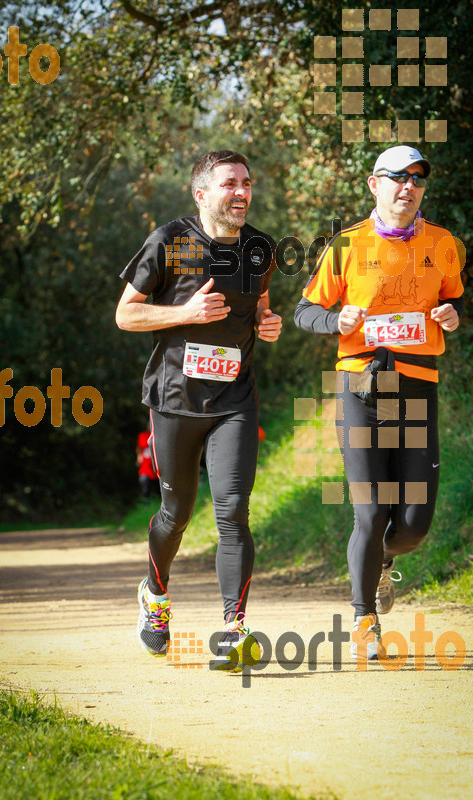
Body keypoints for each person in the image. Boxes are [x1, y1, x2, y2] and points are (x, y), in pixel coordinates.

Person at [295, 146, 464, 660]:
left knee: (413, 524)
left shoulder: (442, 243)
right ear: (374, 185)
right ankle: (363, 616)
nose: (407, 187)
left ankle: (384, 562)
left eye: (417, 179)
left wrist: (451, 315)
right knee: (369, 512)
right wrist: (336, 322)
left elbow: (452, 298)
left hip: (416, 389)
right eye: (397, 178)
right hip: (362, 390)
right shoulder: (346, 246)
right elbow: (305, 310)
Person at [116, 150, 282, 670]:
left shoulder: (260, 248)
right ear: (201, 193)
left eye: (247, 183)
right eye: (229, 183)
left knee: (232, 511)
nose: (241, 192)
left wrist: (266, 323)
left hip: (235, 399)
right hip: (175, 400)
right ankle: (155, 595)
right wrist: (185, 313)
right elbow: (125, 314)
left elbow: (259, 309)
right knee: (176, 513)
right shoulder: (168, 241)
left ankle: (234, 630)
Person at [136, 424, 159, 499]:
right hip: (146, 465)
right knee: (144, 479)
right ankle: (146, 500)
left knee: (158, 486)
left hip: (156, 466)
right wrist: (139, 457)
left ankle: (159, 500)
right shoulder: (143, 436)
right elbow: (139, 447)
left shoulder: (157, 436)